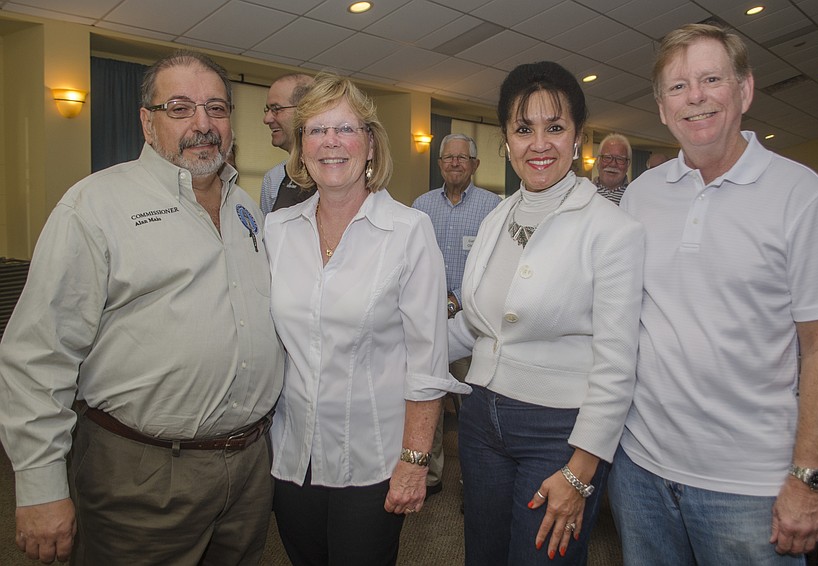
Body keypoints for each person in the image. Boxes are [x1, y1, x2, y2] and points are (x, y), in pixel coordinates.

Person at [0, 50, 284, 565]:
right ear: (147, 123)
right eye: (179, 108)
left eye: (216, 109)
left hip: (247, 472)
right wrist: (40, 484)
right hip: (142, 474)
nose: (203, 124)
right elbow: (38, 354)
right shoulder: (95, 206)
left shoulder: (247, 208)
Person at [607, 23, 818, 566]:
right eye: (677, 86)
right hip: (641, 471)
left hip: (751, 488)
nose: (694, 96)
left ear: (744, 90)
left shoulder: (803, 197)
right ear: (663, 108)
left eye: (711, 78)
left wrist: (808, 480)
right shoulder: (642, 195)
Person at [265, 72, 470, 566]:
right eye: (316, 130)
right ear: (302, 148)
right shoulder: (276, 230)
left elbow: (427, 360)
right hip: (292, 458)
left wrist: (416, 460)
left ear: (371, 144)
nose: (330, 142)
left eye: (346, 129)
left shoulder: (408, 231)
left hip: (373, 462)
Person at [447, 61, 645, 565]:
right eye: (523, 129)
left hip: (558, 433)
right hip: (480, 419)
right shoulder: (497, 217)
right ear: (506, 141)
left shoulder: (611, 229)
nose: (539, 144)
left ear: (579, 137)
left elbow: (617, 363)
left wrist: (581, 472)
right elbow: (477, 324)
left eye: (554, 128)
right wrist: (395, 341)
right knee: (483, 556)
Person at [412, 133, 501, 495]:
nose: (454, 163)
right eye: (448, 157)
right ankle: (428, 476)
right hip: (427, 323)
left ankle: (474, 479)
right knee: (426, 400)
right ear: (439, 164)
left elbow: (496, 266)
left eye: (462, 158)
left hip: (471, 325)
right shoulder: (421, 205)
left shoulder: (493, 207)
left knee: (473, 411)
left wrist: (457, 300)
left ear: (475, 165)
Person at [260, 73, 315, 213]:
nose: (266, 119)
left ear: (306, 110)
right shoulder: (274, 179)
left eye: (276, 109)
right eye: (268, 109)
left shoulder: (340, 173)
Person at [593, 133, 631, 205]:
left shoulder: (635, 195)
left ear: (627, 165)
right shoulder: (582, 192)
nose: (613, 164)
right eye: (607, 157)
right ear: (598, 162)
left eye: (620, 159)